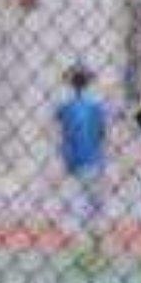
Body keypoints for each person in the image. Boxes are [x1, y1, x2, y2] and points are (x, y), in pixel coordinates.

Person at [54, 66, 111, 270]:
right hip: (93, 162)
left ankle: (81, 251)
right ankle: (96, 250)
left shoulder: (65, 107)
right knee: (94, 208)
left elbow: (62, 130)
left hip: (73, 163)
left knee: (76, 207)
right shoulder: (96, 106)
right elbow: (102, 134)